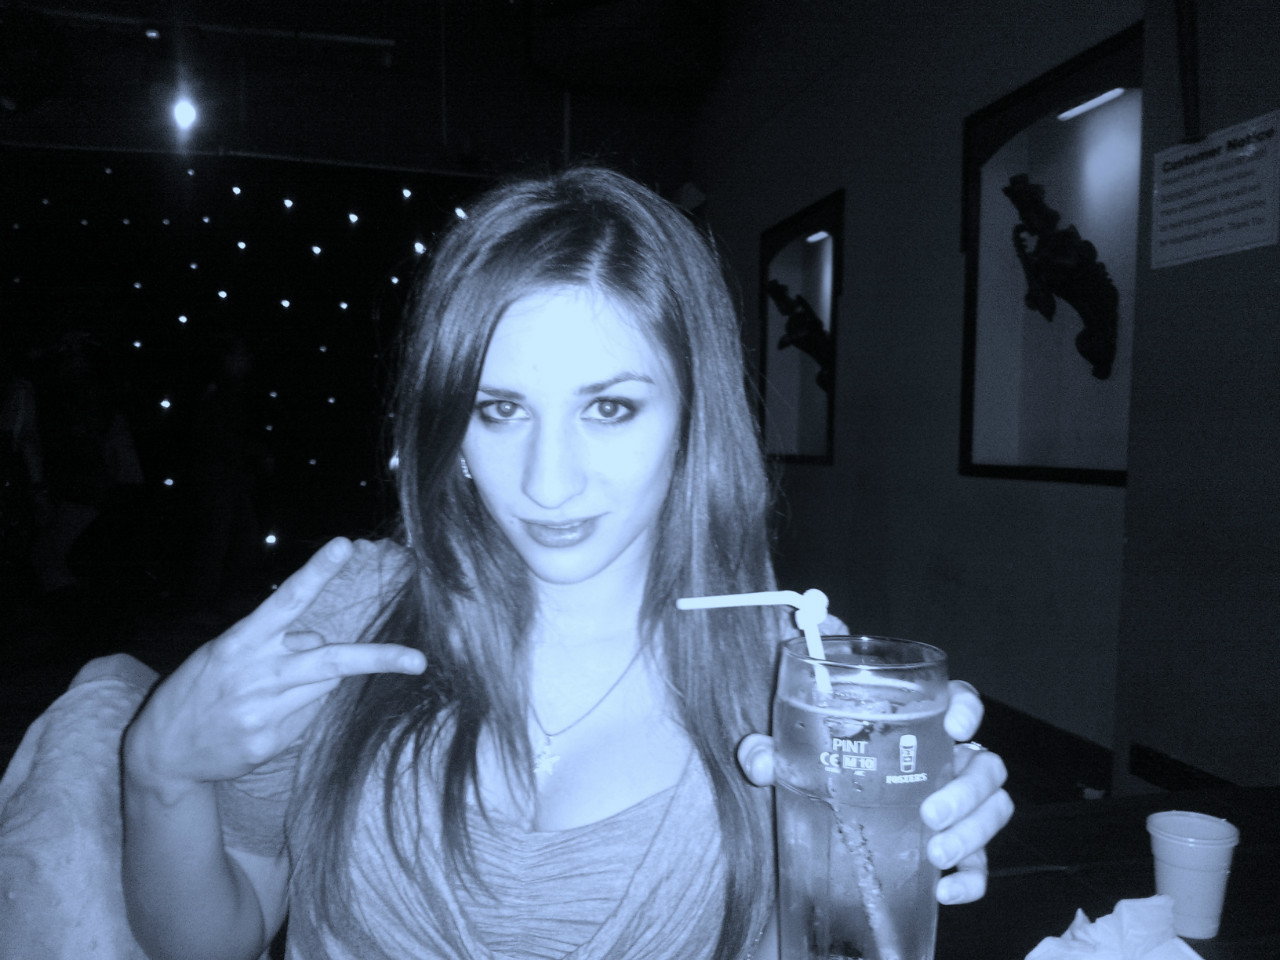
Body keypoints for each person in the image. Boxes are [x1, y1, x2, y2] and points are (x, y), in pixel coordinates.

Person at [121, 166, 1013, 960]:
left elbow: (828, 935)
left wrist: (890, 850)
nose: (548, 483)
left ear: (692, 419)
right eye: (501, 409)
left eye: (609, 408)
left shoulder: (793, 687)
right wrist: (159, 772)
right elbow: (217, 934)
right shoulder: (351, 618)